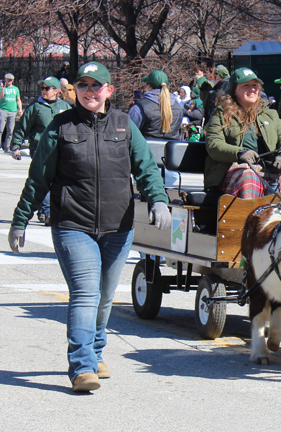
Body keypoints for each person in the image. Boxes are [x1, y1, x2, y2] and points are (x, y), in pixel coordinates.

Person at [8, 61, 171, 392]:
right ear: (76, 91)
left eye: (96, 86)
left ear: (109, 90)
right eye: (83, 85)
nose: (90, 91)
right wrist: (19, 220)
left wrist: (158, 200)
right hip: (73, 225)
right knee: (85, 294)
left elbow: (147, 168)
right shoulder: (60, 127)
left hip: (118, 226)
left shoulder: (125, 125)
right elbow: (38, 178)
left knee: (105, 297)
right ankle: (82, 366)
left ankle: (95, 353)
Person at [204, 68, 281, 198]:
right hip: (232, 171)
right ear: (234, 89)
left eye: (255, 86)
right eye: (246, 85)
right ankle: (249, 218)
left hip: (267, 170)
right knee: (249, 178)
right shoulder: (220, 114)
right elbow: (214, 145)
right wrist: (240, 153)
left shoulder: (270, 114)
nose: (252, 89)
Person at [11, 76, 72, 224]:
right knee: (44, 178)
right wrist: (16, 145)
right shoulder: (35, 107)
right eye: (42, 88)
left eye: (47, 88)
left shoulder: (65, 107)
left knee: (57, 180)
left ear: (56, 91)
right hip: (40, 149)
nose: (43, 91)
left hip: (60, 149)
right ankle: (46, 212)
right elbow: (22, 127)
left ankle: (48, 210)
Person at [129, 70, 183, 186]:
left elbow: (129, 134)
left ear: (148, 86)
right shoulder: (178, 107)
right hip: (170, 166)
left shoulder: (139, 107)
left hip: (146, 164)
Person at [0, 73, 23, 153]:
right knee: (0, 129)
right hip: (3, 110)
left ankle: (7, 147)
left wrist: (20, 109)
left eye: (11, 80)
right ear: (5, 79)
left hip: (12, 111)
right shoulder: (2, 88)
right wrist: (2, 88)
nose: (9, 81)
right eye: (8, 79)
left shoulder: (16, 89)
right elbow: (1, 97)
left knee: (10, 130)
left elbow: (18, 99)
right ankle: (0, 146)